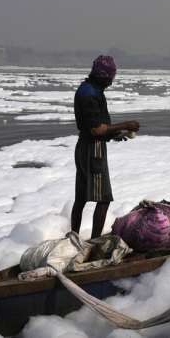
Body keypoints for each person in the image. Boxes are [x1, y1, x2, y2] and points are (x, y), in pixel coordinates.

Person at [71, 55, 140, 238]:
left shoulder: (89, 89)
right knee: (103, 199)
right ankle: (94, 241)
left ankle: (74, 236)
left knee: (81, 198)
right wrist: (127, 125)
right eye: (109, 78)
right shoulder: (90, 94)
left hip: (84, 147)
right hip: (93, 150)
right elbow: (95, 129)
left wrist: (115, 134)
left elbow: (99, 128)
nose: (111, 82)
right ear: (102, 75)